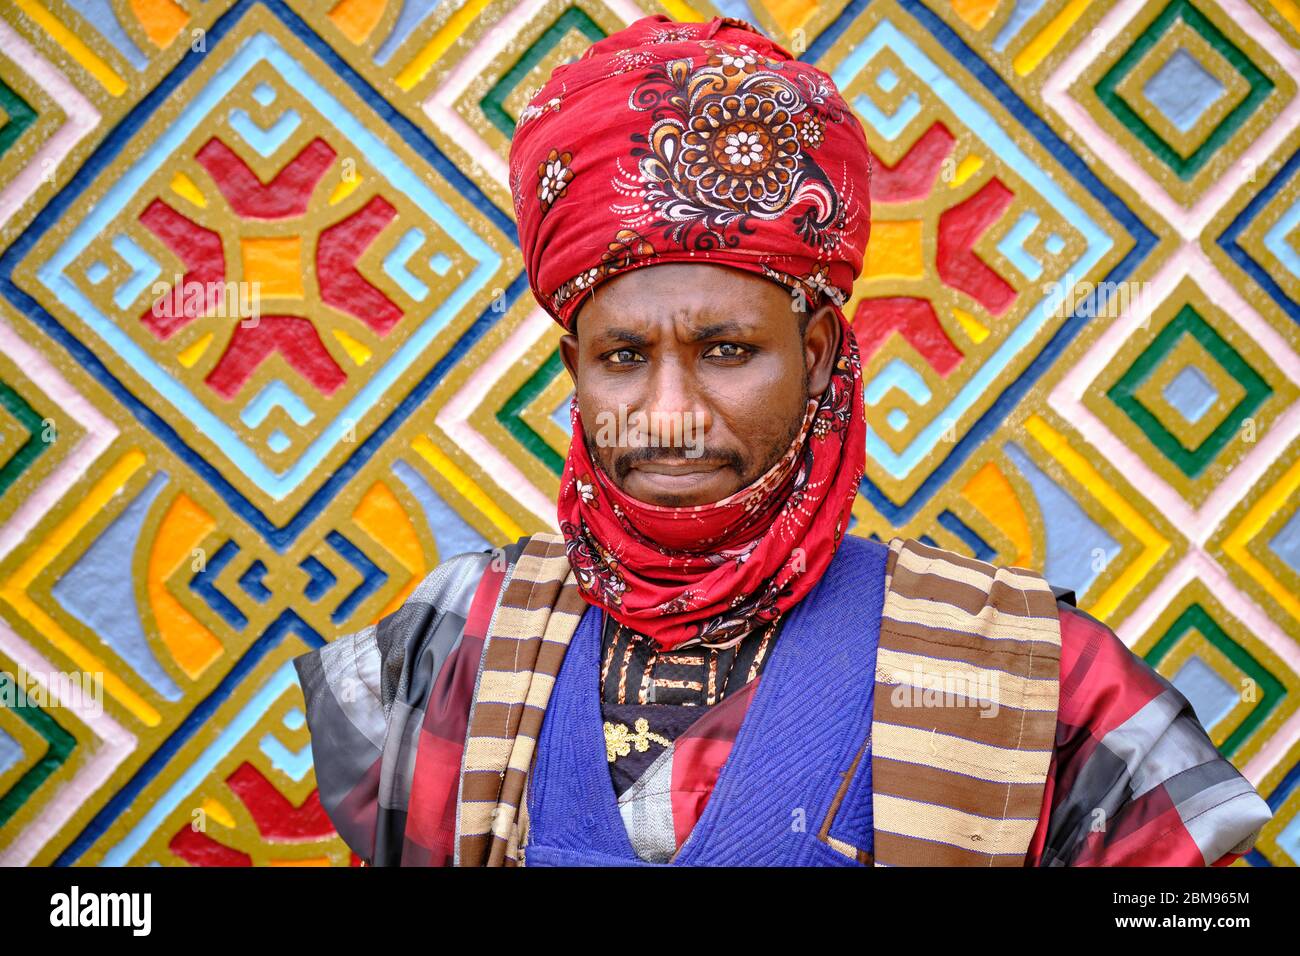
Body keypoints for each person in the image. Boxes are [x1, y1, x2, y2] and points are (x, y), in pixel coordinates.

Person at [292, 13, 1271, 866]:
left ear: (815, 355)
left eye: (727, 349)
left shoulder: (1028, 668)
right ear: (572, 371)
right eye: (623, 356)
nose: (669, 410)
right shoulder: (448, 644)